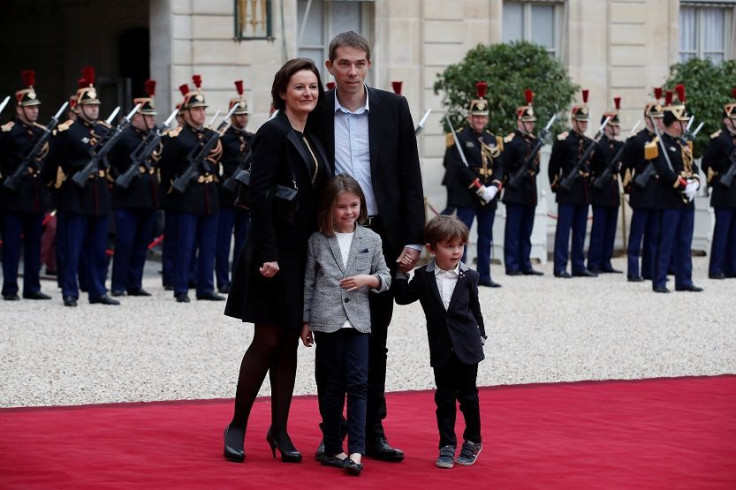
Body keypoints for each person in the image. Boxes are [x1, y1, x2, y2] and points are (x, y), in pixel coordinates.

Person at [312, 30, 425, 462]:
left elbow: (410, 178)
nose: (352, 71)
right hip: (332, 239)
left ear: (369, 65)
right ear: (330, 68)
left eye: (359, 63)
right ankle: (332, 434)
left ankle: (371, 431)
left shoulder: (393, 108)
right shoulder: (317, 108)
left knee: (374, 341)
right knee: (331, 342)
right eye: (344, 63)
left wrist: (414, 241)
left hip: (382, 241)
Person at [223, 58, 330, 463]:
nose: (308, 93)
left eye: (314, 87)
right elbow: (260, 196)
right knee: (266, 340)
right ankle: (237, 425)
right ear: (282, 91)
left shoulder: (310, 137)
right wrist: (268, 254)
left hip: (302, 252)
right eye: (300, 86)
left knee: (288, 343)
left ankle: (279, 429)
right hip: (273, 254)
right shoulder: (273, 132)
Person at [301, 174, 391, 476]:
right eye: (342, 207)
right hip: (326, 321)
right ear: (329, 208)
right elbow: (309, 283)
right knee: (333, 386)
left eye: (354, 205)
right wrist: (305, 321)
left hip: (359, 323)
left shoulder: (371, 239)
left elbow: (386, 276)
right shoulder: (317, 240)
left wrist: (370, 280)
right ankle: (332, 447)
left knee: (359, 384)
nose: (349, 212)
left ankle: (357, 450)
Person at [394, 215, 486, 469]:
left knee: (468, 397)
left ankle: (473, 440)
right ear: (432, 248)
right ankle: (447, 444)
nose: (456, 251)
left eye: (460, 245)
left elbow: (475, 309)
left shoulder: (470, 276)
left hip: (467, 346)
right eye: (449, 246)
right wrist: (401, 273)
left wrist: (481, 335)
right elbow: (402, 298)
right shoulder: (423, 278)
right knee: (444, 398)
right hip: (441, 348)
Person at [43, 67, 119, 307]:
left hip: (98, 196)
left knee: (98, 249)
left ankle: (97, 290)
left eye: (96, 105)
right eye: (89, 106)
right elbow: (51, 165)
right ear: (78, 108)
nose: (94, 109)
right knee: (71, 248)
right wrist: (57, 194)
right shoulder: (67, 132)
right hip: (75, 196)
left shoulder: (105, 130)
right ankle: (70, 291)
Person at [158, 75, 223, 303]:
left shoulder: (209, 136)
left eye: (203, 109)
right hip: (186, 197)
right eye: (196, 110)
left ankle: (205, 287)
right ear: (185, 113)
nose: (201, 113)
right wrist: (171, 195)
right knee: (185, 246)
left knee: (208, 246)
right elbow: (165, 171)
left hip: (209, 196)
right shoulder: (176, 138)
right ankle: (181, 288)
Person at [444, 81, 504, 288]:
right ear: (470, 117)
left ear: (486, 118)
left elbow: (500, 165)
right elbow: (459, 167)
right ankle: (461, 276)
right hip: (468, 193)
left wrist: (494, 187)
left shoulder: (492, 139)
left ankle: (484, 275)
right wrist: (478, 187)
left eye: (483, 117)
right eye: (476, 117)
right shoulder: (461, 137)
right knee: (462, 238)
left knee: (486, 236)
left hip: (489, 195)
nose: (479, 120)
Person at [0, 69, 52, 301]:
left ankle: (33, 287)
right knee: (11, 245)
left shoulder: (42, 132)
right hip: (13, 195)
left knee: (34, 244)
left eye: (36, 107)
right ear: (19, 108)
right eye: (30, 108)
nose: (35, 111)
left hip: (35, 195)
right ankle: (10, 287)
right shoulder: (7, 132)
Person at [108, 79, 161, 297]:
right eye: (147, 116)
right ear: (137, 117)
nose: (151, 120)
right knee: (125, 243)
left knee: (141, 245)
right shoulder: (123, 137)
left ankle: (134, 283)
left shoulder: (154, 137)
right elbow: (109, 163)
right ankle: (119, 284)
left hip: (149, 199)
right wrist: (119, 180)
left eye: (152, 117)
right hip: (127, 199)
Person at [652, 86, 702, 293]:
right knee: (666, 241)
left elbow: (694, 166)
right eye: (682, 122)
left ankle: (684, 280)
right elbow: (663, 171)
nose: (684, 125)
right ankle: (660, 281)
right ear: (673, 124)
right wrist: (683, 185)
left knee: (684, 241)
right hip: (669, 199)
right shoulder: (659, 144)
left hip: (686, 200)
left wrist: (695, 182)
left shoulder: (683, 144)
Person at [548, 89, 598, 278]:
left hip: (583, 190)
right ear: (573, 121)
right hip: (567, 191)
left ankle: (578, 265)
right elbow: (553, 167)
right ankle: (560, 266)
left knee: (580, 231)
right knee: (564, 231)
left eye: (586, 121)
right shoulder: (563, 141)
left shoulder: (589, 142)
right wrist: (557, 187)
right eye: (581, 121)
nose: (584, 124)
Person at [620, 91, 664, 282]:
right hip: (641, 190)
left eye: (659, 118)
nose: (657, 121)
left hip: (657, 193)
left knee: (653, 235)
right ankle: (632, 271)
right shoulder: (636, 140)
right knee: (637, 235)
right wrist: (629, 188)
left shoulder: (663, 141)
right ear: (646, 118)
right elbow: (626, 166)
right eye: (653, 117)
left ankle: (649, 270)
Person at [215, 81, 254, 294]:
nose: (243, 118)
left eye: (245, 114)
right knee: (223, 240)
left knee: (242, 239)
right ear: (232, 116)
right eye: (239, 115)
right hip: (227, 193)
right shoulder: (222, 138)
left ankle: (240, 279)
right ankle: (222, 279)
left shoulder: (252, 138)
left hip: (245, 194)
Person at [501, 89, 544, 276]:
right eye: (527, 122)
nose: (530, 126)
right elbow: (503, 166)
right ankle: (512, 264)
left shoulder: (534, 142)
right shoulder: (511, 141)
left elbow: (538, 168)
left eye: (532, 122)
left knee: (526, 230)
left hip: (530, 191)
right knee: (513, 231)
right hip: (515, 191)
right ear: (519, 122)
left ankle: (525, 263)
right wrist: (511, 180)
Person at [701, 91, 736, 280]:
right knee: (722, 231)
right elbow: (706, 163)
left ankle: (731, 267)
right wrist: (715, 180)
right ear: (727, 120)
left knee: (734, 234)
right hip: (724, 190)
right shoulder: (719, 139)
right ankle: (715, 268)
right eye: (733, 119)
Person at [587, 98, 624, 274]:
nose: (618, 127)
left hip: (613, 190)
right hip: (600, 189)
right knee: (599, 228)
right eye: (614, 124)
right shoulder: (598, 144)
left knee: (610, 228)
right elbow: (591, 164)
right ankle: (594, 262)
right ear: (607, 126)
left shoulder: (618, 145)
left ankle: (606, 261)